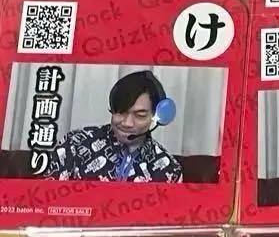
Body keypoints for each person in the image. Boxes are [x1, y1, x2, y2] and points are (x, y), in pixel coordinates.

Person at [44, 70, 182, 182]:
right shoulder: (75, 143)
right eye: (121, 112)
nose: (127, 123)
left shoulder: (169, 170)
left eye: (140, 115)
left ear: (157, 116)